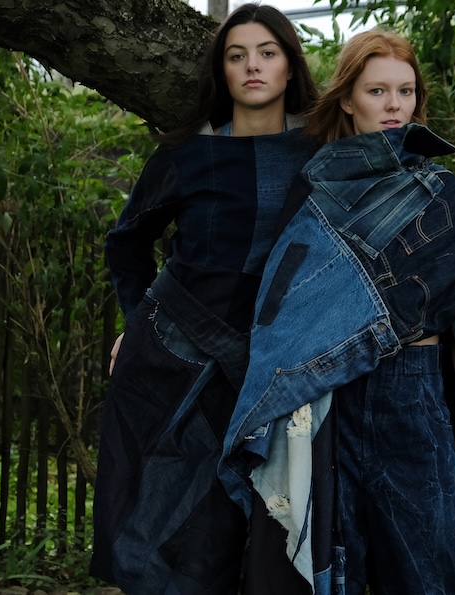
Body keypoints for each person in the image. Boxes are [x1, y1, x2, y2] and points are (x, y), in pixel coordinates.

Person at [219, 29, 455, 595]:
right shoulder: (316, 188)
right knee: (336, 568)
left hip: (413, 396)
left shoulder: (442, 193)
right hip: (331, 402)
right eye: (377, 91)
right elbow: (282, 301)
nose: (394, 105)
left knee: (442, 571)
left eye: (405, 91)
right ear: (349, 99)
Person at [90, 5, 319, 594]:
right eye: (236, 56)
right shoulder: (186, 154)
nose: (252, 67)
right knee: (174, 527)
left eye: (267, 53)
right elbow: (126, 243)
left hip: (275, 369)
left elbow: (404, 192)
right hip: (177, 361)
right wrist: (136, 318)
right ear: (221, 71)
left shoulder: (321, 155)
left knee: (268, 535)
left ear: (289, 66)